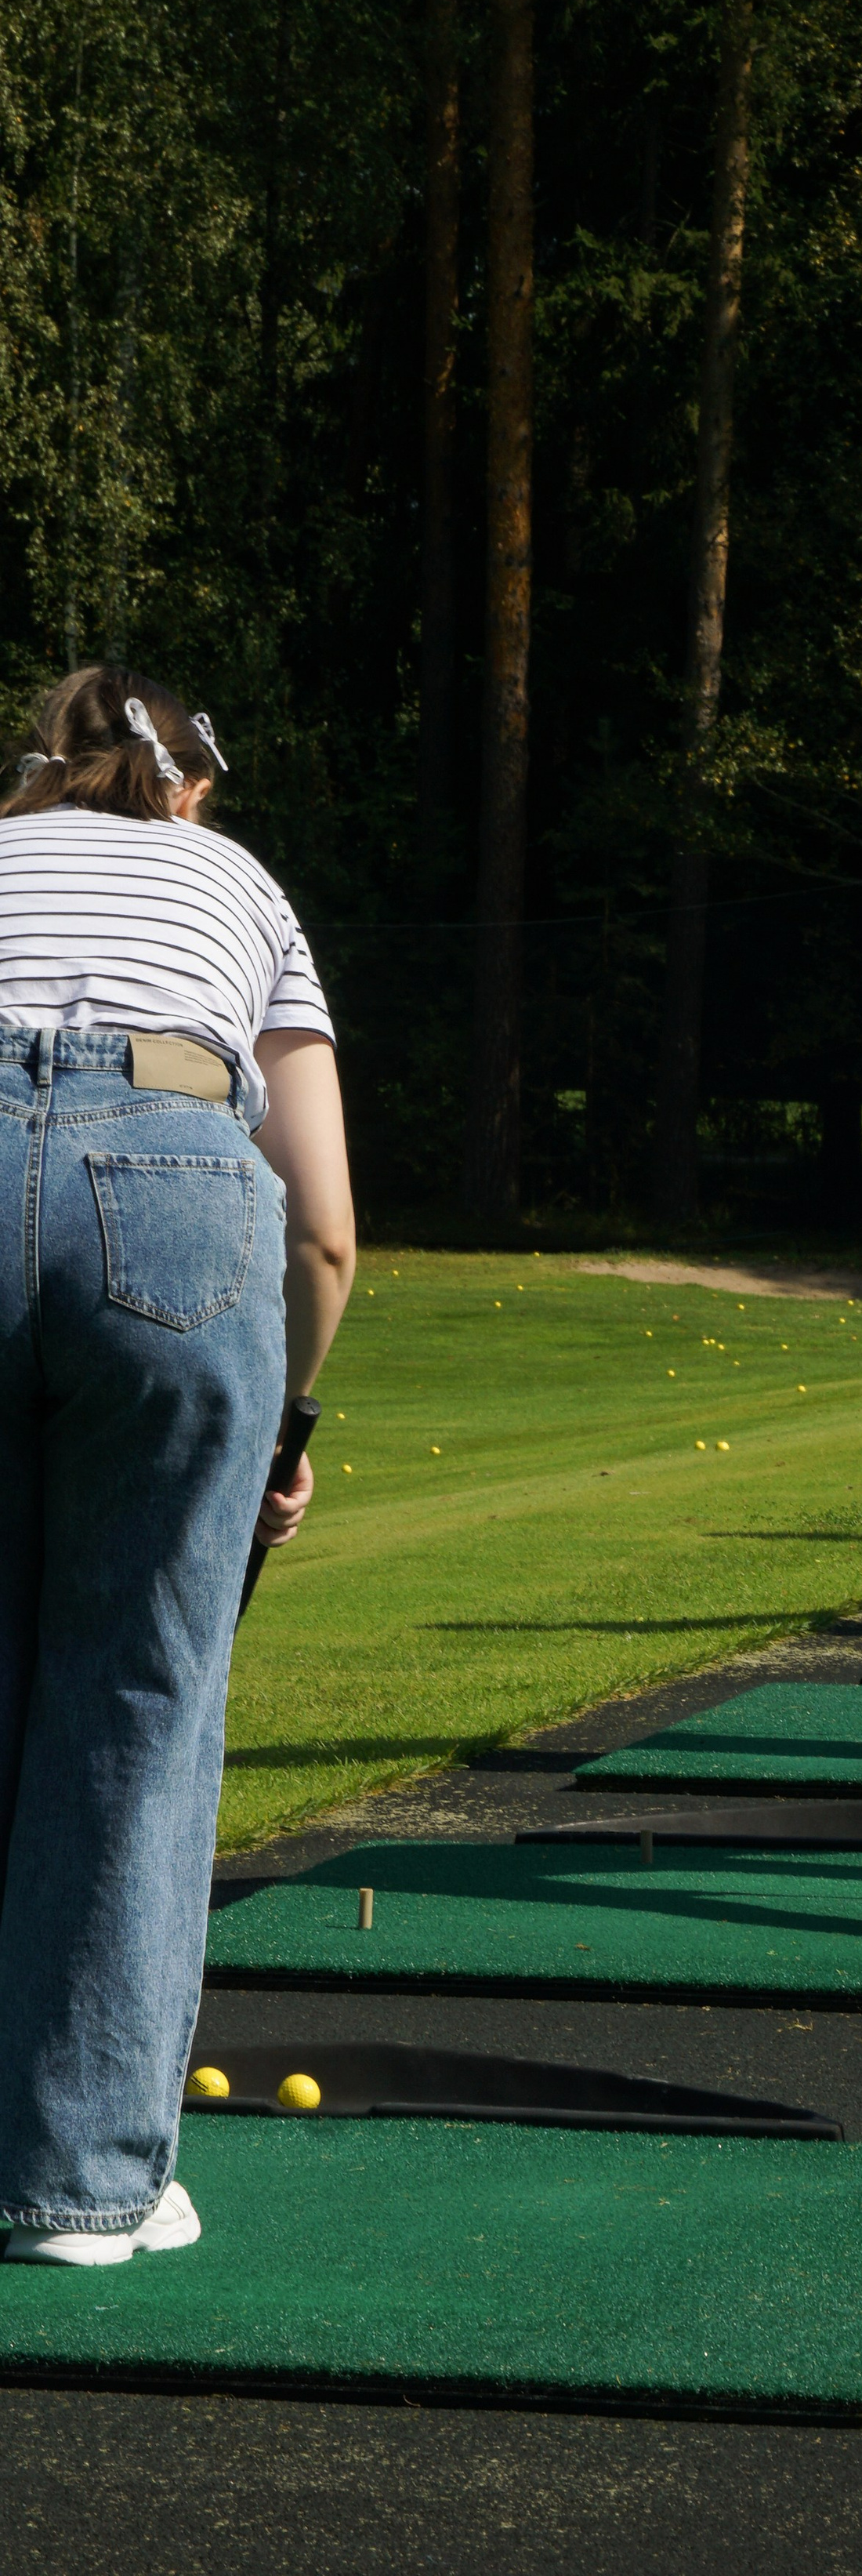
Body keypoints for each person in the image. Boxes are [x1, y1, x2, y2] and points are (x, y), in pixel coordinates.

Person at [0, 668, 354, 2267]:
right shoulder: (239, 884)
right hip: (173, 1179)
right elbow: (326, 1233)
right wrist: (286, 1427)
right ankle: (84, 2184)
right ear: (187, 785)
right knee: (140, 1696)